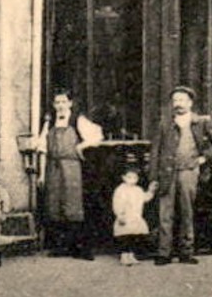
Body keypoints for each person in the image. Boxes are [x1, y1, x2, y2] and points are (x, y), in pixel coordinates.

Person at [148, 86, 212, 266]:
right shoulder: (165, 123)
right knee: (165, 213)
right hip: (167, 172)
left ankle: (186, 251)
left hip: (189, 171)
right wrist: (153, 177)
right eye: (175, 100)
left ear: (190, 102)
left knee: (187, 211)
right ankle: (164, 252)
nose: (178, 104)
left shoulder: (201, 122)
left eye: (182, 100)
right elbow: (155, 151)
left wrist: (204, 157)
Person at [34, 86, 104, 260]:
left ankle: (80, 247)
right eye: (57, 102)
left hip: (72, 167)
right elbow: (42, 149)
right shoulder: (49, 123)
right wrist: (42, 174)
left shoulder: (77, 120)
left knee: (74, 206)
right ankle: (61, 246)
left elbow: (97, 136)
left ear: (70, 103)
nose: (60, 105)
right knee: (55, 205)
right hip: (53, 167)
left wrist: (81, 145)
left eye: (63, 101)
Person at [112, 167, 154, 267]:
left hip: (135, 218)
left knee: (134, 237)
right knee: (124, 237)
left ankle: (131, 255)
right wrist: (120, 215)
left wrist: (151, 191)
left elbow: (145, 198)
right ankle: (124, 255)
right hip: (126, 217)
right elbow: (117, 203)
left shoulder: (138, 190)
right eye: (129, 177)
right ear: (123, 178)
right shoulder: (120, 190)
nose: (132, 179)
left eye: (135, 177)